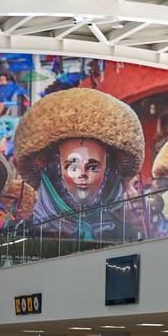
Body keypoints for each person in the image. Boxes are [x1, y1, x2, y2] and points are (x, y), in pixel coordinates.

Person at [13, 87, 147, 241]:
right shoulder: (18, 236)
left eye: (93, 167)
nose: (82, 174)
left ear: (108, 171)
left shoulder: (129, 238)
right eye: (73, 166)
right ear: (47, 168)